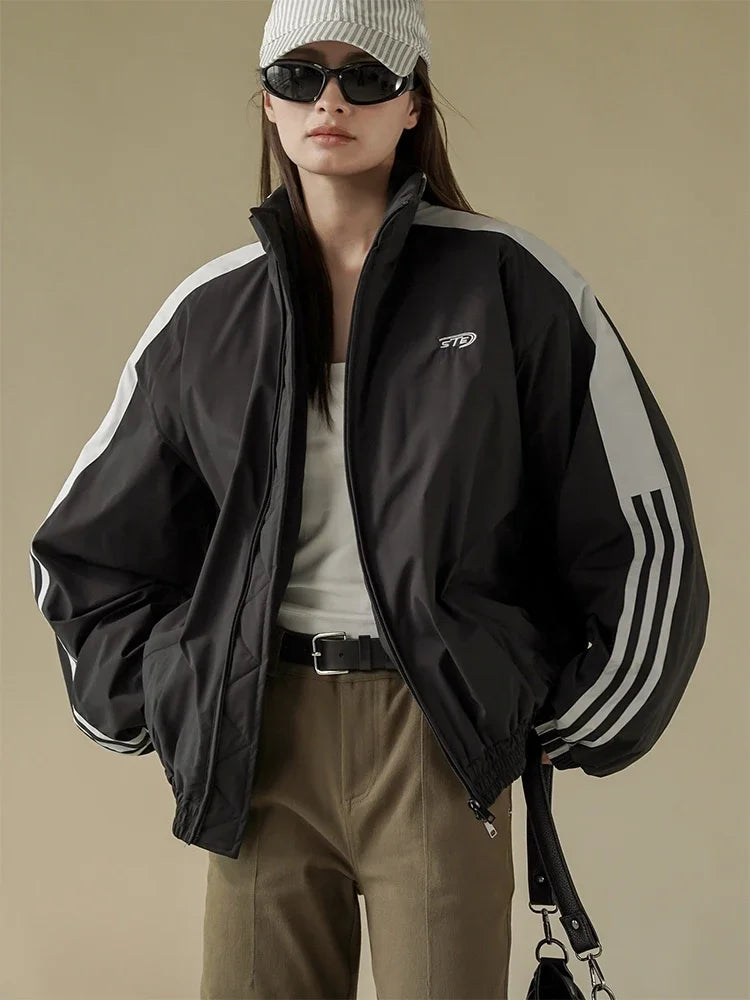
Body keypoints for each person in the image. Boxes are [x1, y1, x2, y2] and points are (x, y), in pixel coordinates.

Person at [28, 0, 710, 997]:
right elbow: (87, 552)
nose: (331, 100)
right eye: (299, 74)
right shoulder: (207, 316)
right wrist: (179, 696)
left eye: (366, 74)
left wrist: (546, 715)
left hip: (432, 736)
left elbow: (646, 533)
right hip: (259, 736)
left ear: (413, 102)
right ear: (267, 101)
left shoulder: (511, 286)